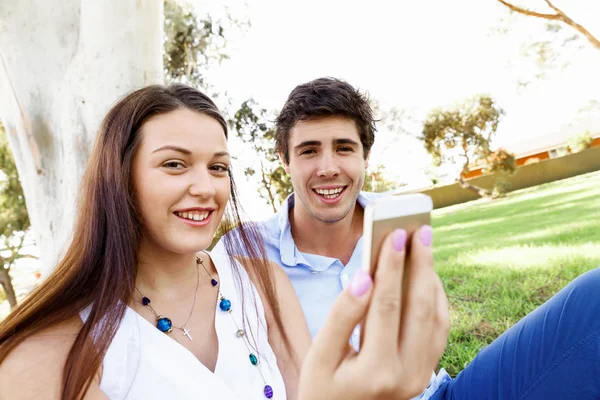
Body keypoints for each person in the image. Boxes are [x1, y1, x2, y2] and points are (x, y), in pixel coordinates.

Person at [0, 83, 448, 400]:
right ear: (119, 178)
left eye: (217, 167)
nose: (206, 187)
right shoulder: (49, 352)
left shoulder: (260, 279)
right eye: (175, 165)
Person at [217, 76, 600, 399]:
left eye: (344, 148)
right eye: (308, 151)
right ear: (285, 160)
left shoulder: (397, 218)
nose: (328, 168)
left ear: (365, 156)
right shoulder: (242, 251)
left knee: (593, 297)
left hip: (440, 394)